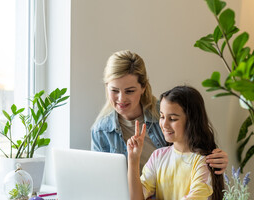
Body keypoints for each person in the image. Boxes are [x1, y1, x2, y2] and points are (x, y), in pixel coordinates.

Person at [91, 50, 228, 173]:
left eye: (130, 91)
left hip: (170, 196)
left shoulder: (165, 115)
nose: (121, 99)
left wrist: (217, 159)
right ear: (106, 87)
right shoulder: (100, 130)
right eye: (114, 90)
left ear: (143, 87)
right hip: (130, 199)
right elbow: (101, 178)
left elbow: (199, 153)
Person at [127, 86, 224, 200]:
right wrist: (133, 160)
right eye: (162, 116)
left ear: (191, 121)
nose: (164, 124)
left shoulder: (203, 160)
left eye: (172, 119)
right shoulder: (158, 156)